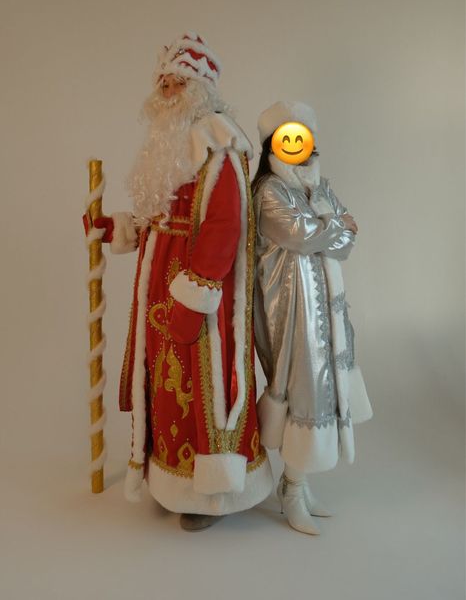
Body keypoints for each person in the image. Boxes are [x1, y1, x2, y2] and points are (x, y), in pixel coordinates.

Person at [89, 33, 273, 530]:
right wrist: (117, 228)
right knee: (166, 389)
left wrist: (195, 296)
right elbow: (159, 217)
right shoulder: (168, 142)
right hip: (159, 290)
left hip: (201, 293)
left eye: (178, 82)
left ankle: (209, 494)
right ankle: (170, 479)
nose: (168, 90)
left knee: (203, 387)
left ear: (201, 89)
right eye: (163, 82)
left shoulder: (218, 141)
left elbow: (224, 225)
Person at [252, 100, 372, 535]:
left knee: (324, 392)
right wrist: (337, 225)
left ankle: (296, 484)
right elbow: (301, 235)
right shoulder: (269, 191)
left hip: (325, 311)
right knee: (303, 392)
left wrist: (332, 229)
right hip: (290, 314)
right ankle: (292, 491)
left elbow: (344, 244)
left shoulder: (318, 187)